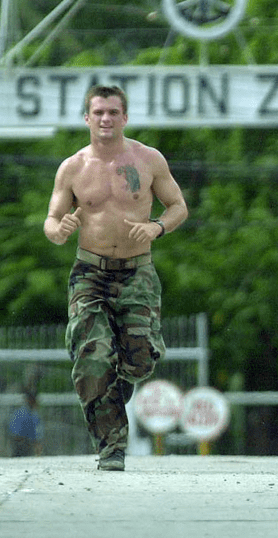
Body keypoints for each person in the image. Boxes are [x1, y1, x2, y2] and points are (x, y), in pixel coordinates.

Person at [44, 85, 188, 471]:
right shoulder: (73, 167)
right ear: (86, 118)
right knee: (94, 357)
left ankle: (117, 384)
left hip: (137, 270)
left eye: (113, 112)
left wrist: (158, 227)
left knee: (140, 361)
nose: (105, 119)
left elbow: (178, 206)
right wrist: (58, 231)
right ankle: (111, 447)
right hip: (89, 273)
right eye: (98, 112)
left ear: (124, 117)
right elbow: (52, 220)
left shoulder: (148, 159)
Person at [8, 388, 43, 457]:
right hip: (21, 446)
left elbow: (37, 434)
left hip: (29, 446)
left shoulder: (34, 415)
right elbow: (15, 435)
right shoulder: (21, 414)